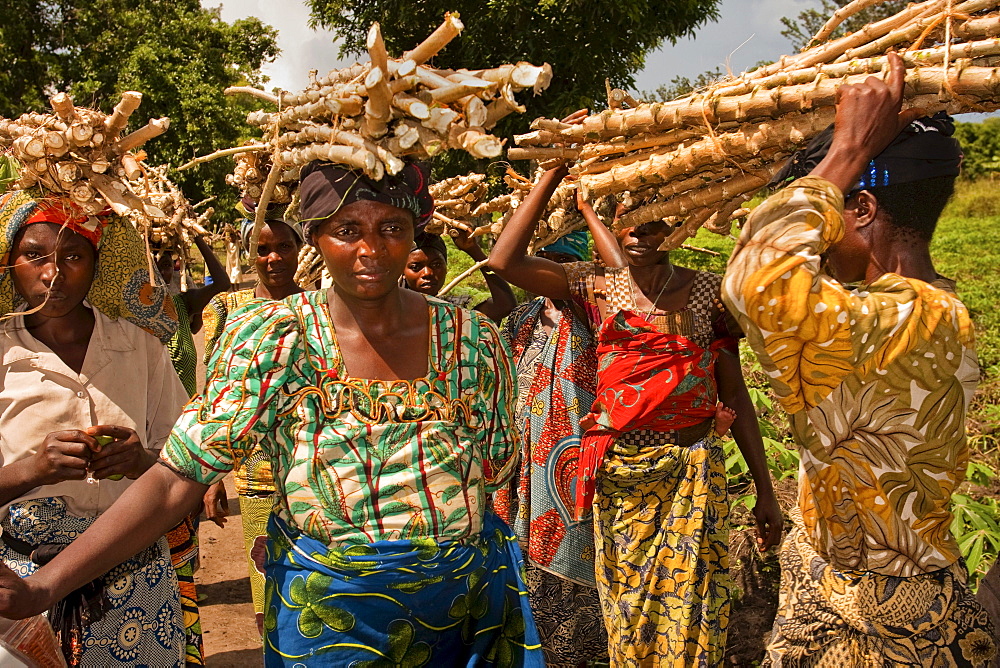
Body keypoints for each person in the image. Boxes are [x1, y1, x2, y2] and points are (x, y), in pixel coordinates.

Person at [0, 161, 543, 668]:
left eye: (392, 227)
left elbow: (494, 469)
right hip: (329, 621)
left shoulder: (474, 341)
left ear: (415, 232)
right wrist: (43, 587)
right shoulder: (274, 339)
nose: (370, 250)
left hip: (461, 614)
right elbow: (174, 480)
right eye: (347, 229)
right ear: (315, 237)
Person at [721, 53, 997, 666]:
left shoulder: (912, 318)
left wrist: (846, 150)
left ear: (864, 211)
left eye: (832, 214)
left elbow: (753, 279)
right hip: (828, 586)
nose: (818, 242)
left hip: (895, 613)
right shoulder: (898, 311)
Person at [489, 141, 783, 665]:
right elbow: (504, 260)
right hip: (621, 477)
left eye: (657, 221)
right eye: (632, 219)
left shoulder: (707, 293)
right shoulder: (596, 288)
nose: (644, 233)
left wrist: (765, 489)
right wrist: (554, 172)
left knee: (693, 614)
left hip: (692, 471)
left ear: (677, 227)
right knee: (628, 614)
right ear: (614, 223)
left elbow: (734, 391)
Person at [0, 191, 189, 666]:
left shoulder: (142, 348)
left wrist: (140, 461)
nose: (53, 273)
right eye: (34, 256)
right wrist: (34, 469)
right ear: (10, 265)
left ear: (97, 265)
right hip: (21, 587)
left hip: (136, 578)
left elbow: (189, 470)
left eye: (74, 256)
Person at [200, 213, 305, 634]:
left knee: (315, 594)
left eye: (284, 247)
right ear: (250, 255)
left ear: (301, 251)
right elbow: (212, 394)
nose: (274, 257)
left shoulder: (320, 306)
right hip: (256, 475)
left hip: (314, 473)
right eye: (262, 249)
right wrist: (211, 474)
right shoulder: (227, 309)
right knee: (268, 600)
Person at [154, 234, 231, 665]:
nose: (166, 272)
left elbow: (220, 282)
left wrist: (195, 236)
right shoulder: (129, 318)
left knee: (182, 537)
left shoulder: (181, 308)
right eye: (158, 265)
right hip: (150, 445)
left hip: (188, 440)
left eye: (170, 265)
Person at [404, 227, 517, 322]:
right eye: (415, 267)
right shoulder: (391, 309)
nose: (428, 273)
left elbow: (504, 306)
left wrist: (473, 250)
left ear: (446, 267)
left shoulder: (457, 309)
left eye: (437, 265)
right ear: (402, 271)